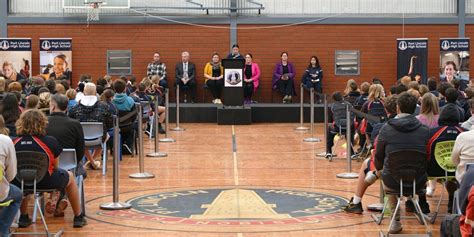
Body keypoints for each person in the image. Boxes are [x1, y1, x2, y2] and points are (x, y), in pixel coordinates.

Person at [13, 109, 86, 228]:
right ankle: (78, 217)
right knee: (71, 178)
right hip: (45, 180)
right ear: (43, 123)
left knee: (23, 181)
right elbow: (56, 167)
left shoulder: (13, 142)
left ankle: (24, 216)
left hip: (19, 181)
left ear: (21, 123)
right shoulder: (50, 141)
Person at [373, 92, 431, 234]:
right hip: (418, 181)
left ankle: (395, 220)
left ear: (397, 108)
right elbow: (428, 158)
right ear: (414, 109)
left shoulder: (386, 129)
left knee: (386, 170)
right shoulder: (425, 130)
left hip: (392, 180)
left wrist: (378, 170)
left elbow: (378, 156)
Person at [343, 95, 398, 214]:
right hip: (417, 176)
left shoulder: (381, 128)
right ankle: (415, 203)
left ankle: (356, 202)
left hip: (390, 170)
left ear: (386, 110)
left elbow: (377, 154)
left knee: (368, 162)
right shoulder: (421, 128)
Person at [69, 83, 112, 169]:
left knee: (80, 138)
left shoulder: (75, 108)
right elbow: (109, 123)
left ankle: (90, 162)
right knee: (106, 135)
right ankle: (92, 162)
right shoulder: (104, 106)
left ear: (84, 92)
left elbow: (71, 123)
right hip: (99, 137)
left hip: (81, 138)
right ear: (95, 92)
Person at [0, 115, 22, 236]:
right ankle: (2, 231)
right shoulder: (5, 140)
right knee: (17, 194)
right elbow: (11, 174)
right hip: (1, 191)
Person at [324, 92, 354, 159]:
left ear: (334, 99)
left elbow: (330, 121)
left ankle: (329, 151)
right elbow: (353, 116)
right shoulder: (349, 105)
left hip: (337, 128)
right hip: (348, 127)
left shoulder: (332, 106)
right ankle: (351, 152)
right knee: (351, 130)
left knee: (329, 129)